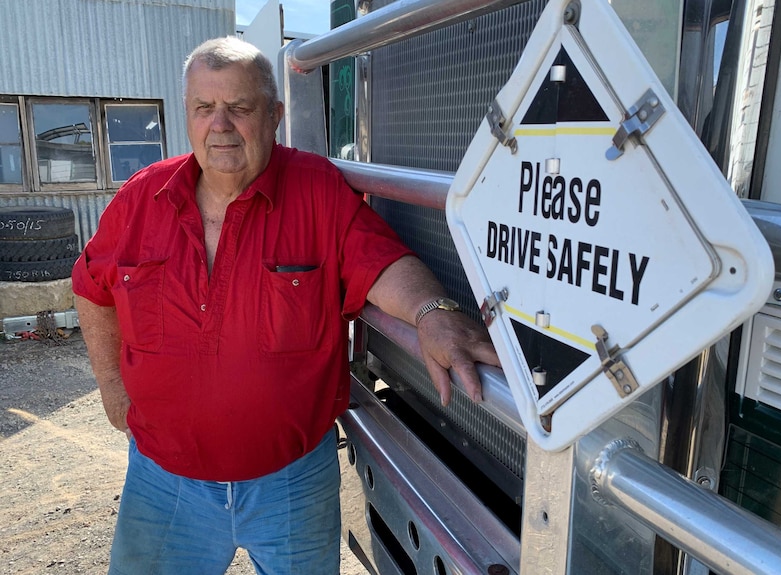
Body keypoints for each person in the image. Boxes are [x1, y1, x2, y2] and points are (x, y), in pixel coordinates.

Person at [72, 36, 499, 575]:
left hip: (292, 483)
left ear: (273, 115)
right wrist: (112, 386)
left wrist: (434, 311)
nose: (219, 124)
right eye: (204, 108)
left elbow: (380, 261)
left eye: (239, 108)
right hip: (164, 484)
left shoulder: (318, 190)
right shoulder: (141, 198)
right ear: (187, 115)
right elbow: (91, 289)